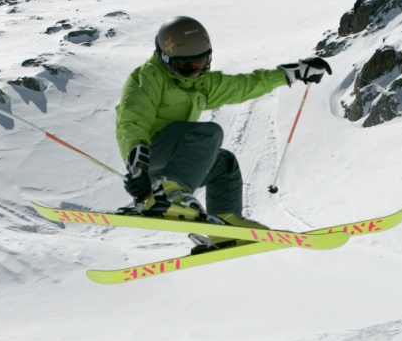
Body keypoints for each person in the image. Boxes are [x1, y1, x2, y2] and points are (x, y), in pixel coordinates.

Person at [115, 15, 331, 250]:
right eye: (186, 67)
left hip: (175, 163)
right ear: (166, 59)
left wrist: (292, 73)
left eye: (201, 64)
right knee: (208, 133)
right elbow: (131, 121)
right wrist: (138, 168)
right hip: (149, 157)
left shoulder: (201, 83)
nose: (196, 72)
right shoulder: (147, 78)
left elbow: (244, 85)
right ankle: (165, 195)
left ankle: (225, 226)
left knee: (224, 164)